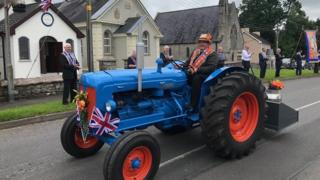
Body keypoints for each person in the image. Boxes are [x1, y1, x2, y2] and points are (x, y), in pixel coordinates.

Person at [184, 33, 218, 111]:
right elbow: (188, 62)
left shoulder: (213, 54)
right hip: (193, 72)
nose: (202, 43)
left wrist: (196, 70)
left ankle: (193, 104)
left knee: (196, 79)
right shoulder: (195, 51)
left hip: (207, 75)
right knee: (183, 75)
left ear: (208, 43)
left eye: (204, 42)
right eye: (200, 41)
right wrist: (182, 66)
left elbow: (210, 68)